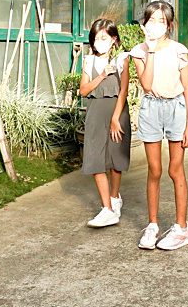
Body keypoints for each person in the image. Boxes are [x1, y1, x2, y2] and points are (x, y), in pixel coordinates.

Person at [130, 0, 188, 250]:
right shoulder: (139, 51)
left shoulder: (180, 49)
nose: (155, 25)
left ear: (169, 24)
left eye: (161, 21)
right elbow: (146, 85)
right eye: (151, 20)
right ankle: (153, 225)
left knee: (175, 169)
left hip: (176, 108)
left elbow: (187, 88)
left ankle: (182, 227)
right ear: (144, 24)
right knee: (154, 169)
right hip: (151, 108)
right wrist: (152, 50)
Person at [79, 18, 132, 228]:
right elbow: (83, 90)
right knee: (94, 159)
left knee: (114, 159)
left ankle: (115, 198)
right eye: (96, 38)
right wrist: (101, 75)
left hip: (117, 115)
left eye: (104, 38)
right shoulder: (88, 61)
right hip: (95, 113)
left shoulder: (122, 59)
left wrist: (115, 119)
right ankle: (107, 209)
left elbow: (124, 91)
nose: (99, 42)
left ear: (113, 39)